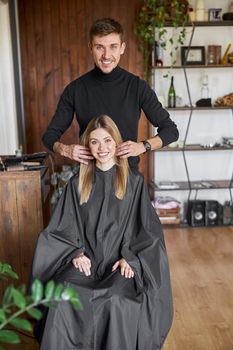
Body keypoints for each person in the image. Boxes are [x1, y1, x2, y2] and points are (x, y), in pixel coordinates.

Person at [32, 115, 173, 350]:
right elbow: (60, 229)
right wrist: (74, 254)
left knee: (116, 300)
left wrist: (133, 259)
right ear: (87, 146)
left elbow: (148, 232)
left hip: (118, 264)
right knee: (64, 293)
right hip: (85, 262)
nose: (102, 148)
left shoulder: (134, 182)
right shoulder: (77, 183)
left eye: (107, 141)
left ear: (117, 143)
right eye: (95, 142)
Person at [42, 18, 179, 168]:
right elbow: (49, 136)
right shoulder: (75, 89)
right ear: (90, 47)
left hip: (129, 179)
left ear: (122, 47)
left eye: (113, 46)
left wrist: (143, 146)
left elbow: (171, 131)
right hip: (90, 179)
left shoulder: (137, 87)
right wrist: (65, 149)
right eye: (99, 47)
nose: (106, 55)